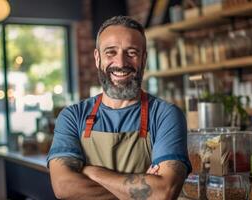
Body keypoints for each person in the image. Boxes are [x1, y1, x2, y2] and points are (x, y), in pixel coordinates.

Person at [47, 15, 191, 200]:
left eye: (131, 52)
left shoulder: (165, 115)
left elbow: (163, 192)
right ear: (97, 58)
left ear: (144, 59)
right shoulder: (73, 116)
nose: (121, 63)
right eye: (110, 52)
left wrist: (92, 172)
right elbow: (63, 187)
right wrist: (141, 191)